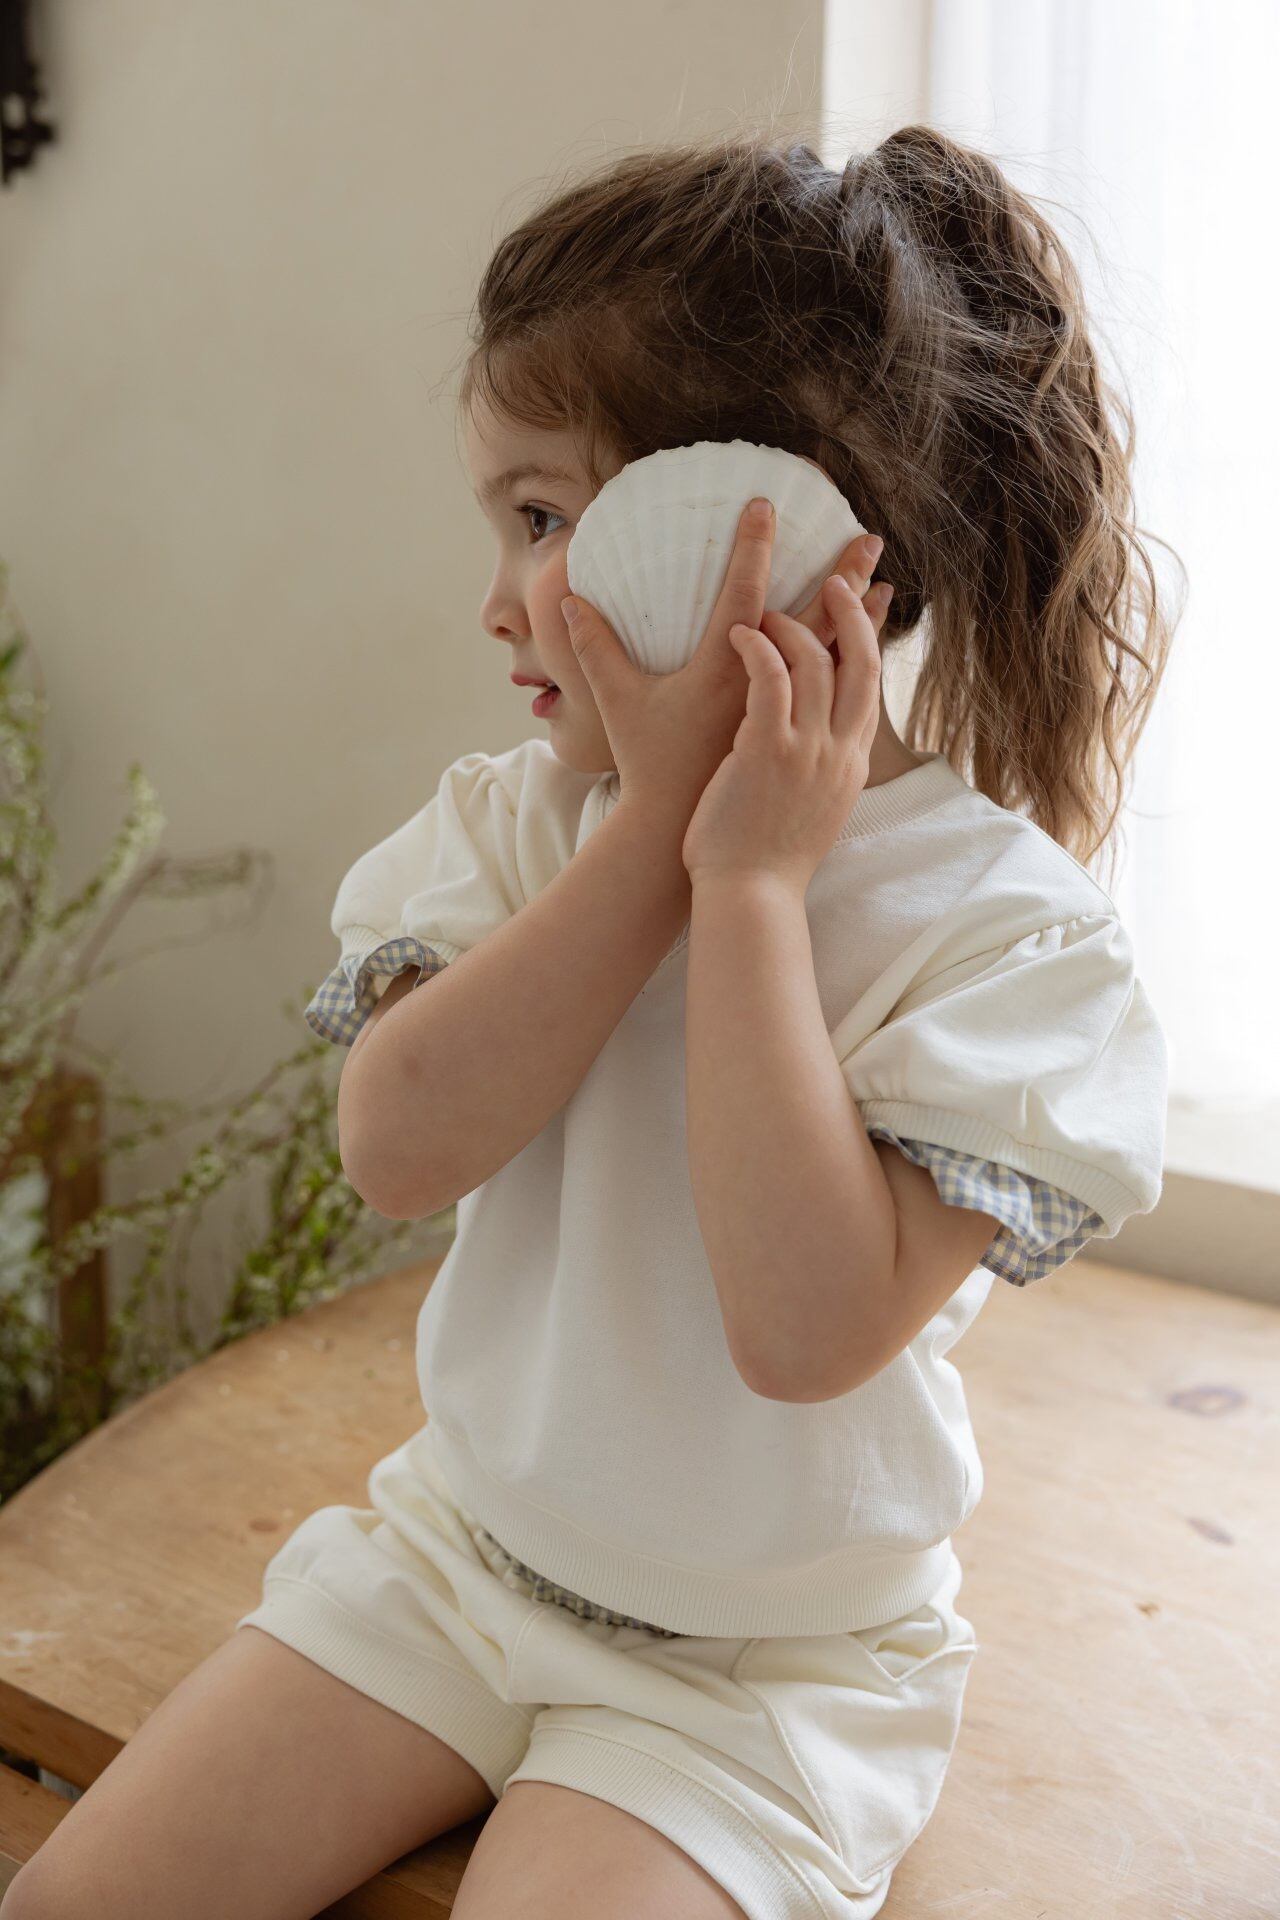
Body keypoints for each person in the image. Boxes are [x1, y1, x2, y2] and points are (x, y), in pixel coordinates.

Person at [4, 123, 1175, 1920]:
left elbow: (804, 1329)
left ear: (757, 532)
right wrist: (649, 842)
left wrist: (752, 887)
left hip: (761, 1678)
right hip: (456, 1562)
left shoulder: (1002, 935)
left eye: (546, 521)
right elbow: (399, 1151)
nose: (495, 599)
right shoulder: (517, 827)